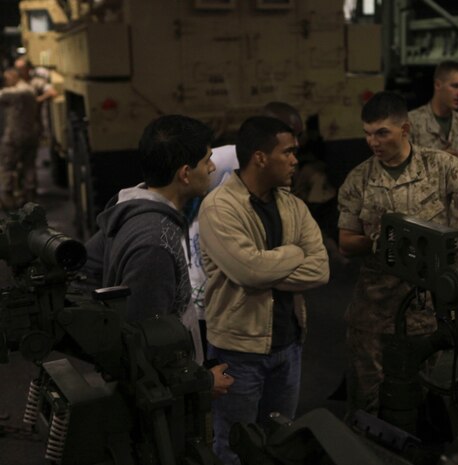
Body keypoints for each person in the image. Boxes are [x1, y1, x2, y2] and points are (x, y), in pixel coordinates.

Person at [337, 91, 458, 415]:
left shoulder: (439, 166)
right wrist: (383, 241)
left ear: (405, 129)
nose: (373, 141)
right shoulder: (358, 178)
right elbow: (346, 240)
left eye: (382, 132)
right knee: (369, 403)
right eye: (368, 133)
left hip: (425, 313)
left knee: (420, 403)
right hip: (373, 312)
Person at [198, 116, 329, 465]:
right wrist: (294, 253)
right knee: (235, 445)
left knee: (280, 441)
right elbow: (248, 271)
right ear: (260, 157)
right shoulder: (219, 208)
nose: (295, 160)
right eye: (287, 152)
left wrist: (263, 267)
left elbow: (320, 269)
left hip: (289, 347)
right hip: (239, 351)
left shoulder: (293, 206)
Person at [80, 114, 234, 396]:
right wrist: (203, 381)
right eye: (206, 160)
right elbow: (149, 343)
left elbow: (86, 268)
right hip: (160, 405)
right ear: (185, 174)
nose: (212, 167)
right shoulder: (155, 243)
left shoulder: (129, 206)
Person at [185, 102, 303, 364]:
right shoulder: (225, 160)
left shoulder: (280, 177)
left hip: (249, 306)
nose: (295, 146)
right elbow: (179, 197)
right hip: (206, 299)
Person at [409, 60, 458, 181]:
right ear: (438, 85)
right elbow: (404, 168)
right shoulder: (412, 121)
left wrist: (454, 179)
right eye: (456, 86)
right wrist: (439, 161)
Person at [0, 67, 39, 209]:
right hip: (31, 133)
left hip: (13, 135)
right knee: (29, 165)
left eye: (7, 78)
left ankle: (7, 198)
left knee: (7, 166)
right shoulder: (30, 89)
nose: (6, 81)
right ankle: (30, 196)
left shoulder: (15, 92)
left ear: (13, 76)